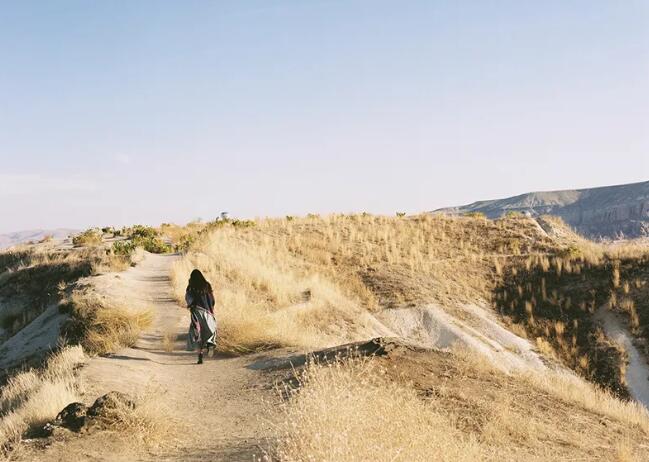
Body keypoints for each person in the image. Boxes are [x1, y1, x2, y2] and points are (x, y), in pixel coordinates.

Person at [185, 269, 217, 364]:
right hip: (208, 312)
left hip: (196, 313)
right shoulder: (207, 285)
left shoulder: (190, 287)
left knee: (197, 333)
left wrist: (191, 306)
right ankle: (210, 344)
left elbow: (188, 299)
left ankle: (200, 356)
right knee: (211, 329)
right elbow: (212, 300)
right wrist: (210, 309)